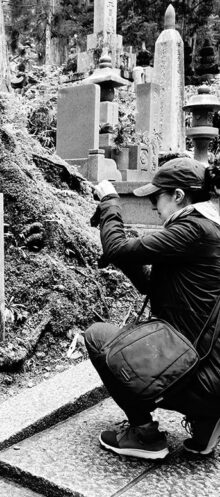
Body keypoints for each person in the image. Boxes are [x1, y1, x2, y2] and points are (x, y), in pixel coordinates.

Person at [85, 157, 220, 460]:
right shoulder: (211, 230)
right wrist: (126, 258)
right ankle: (205, 422)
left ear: (178, 195)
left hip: (199, 375)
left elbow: (116, 247)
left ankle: (144, 435)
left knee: (97, 337)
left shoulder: (193, 230)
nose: (152, 206)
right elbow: (151, 286)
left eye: (157, 196)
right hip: (214, 371)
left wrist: (109, 202)